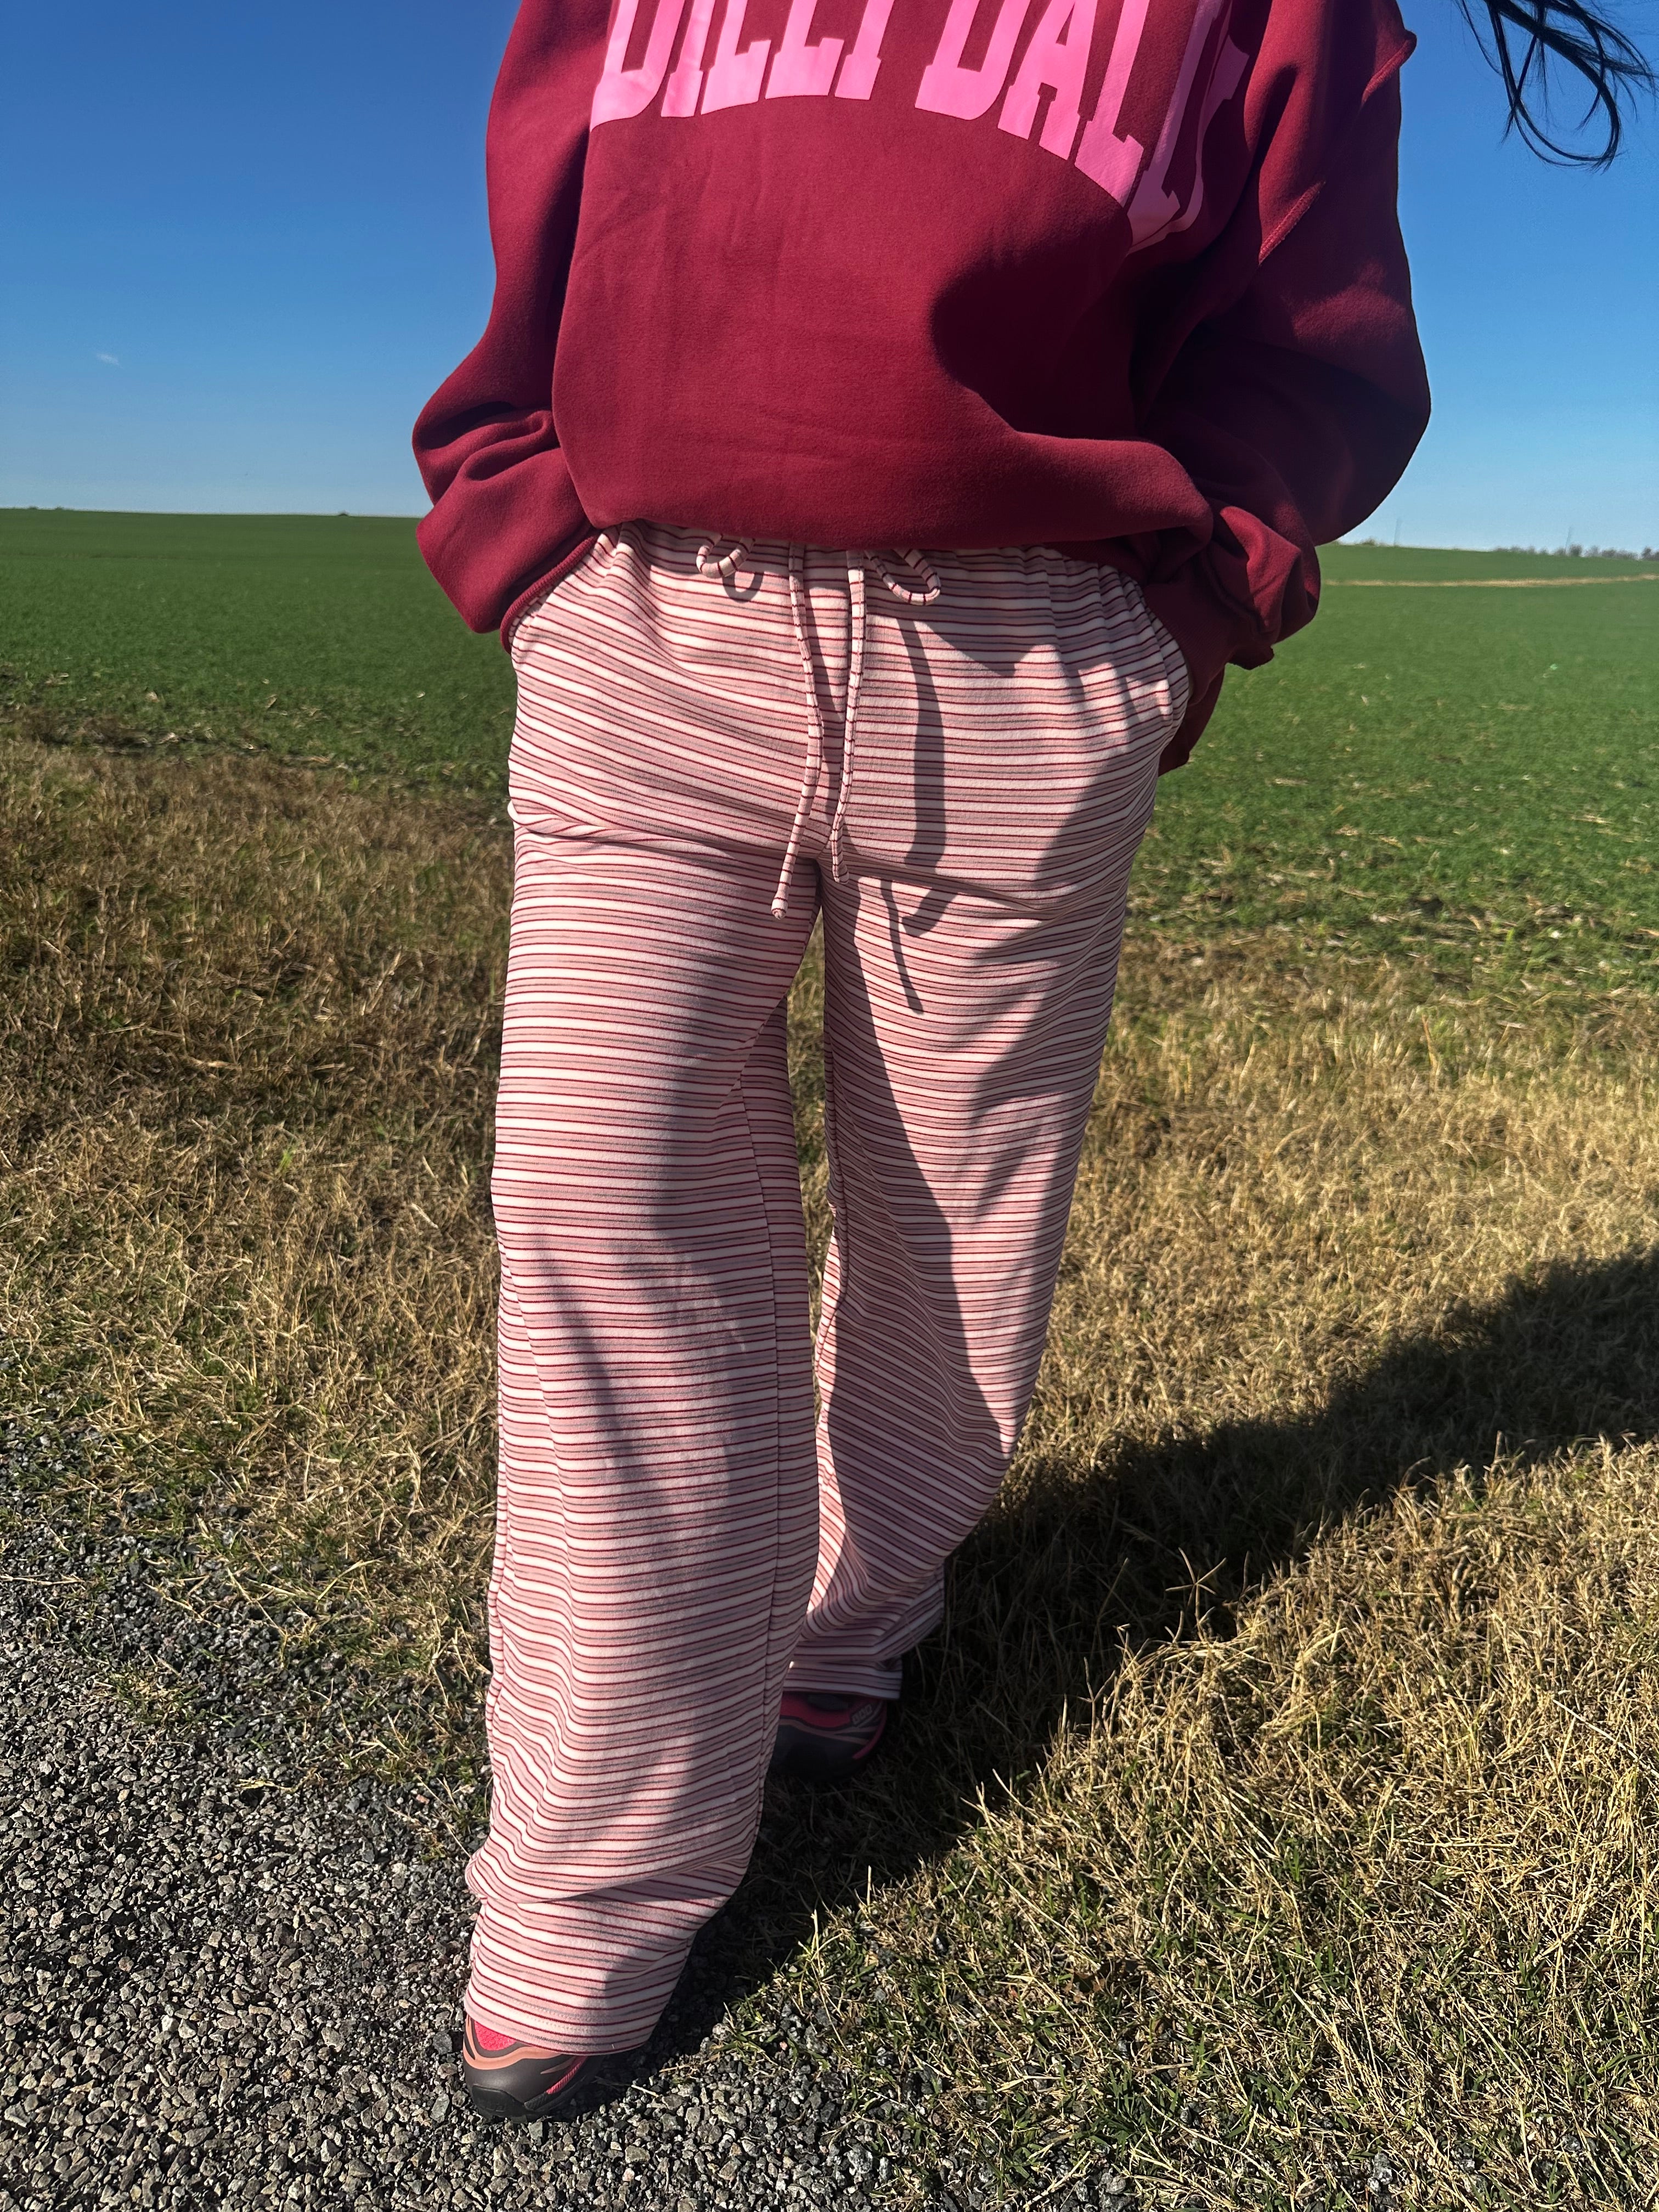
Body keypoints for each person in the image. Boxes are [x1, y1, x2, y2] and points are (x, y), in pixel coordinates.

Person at [411, 0, 1651, 2122]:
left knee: (954, 1239)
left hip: (1021, 664)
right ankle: (584, 1888)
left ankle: (846, 1628)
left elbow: (1311, 331)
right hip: (653, 624)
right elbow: (560, 204)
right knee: (604, 1231)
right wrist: (523, 527)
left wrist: (1174, 627)